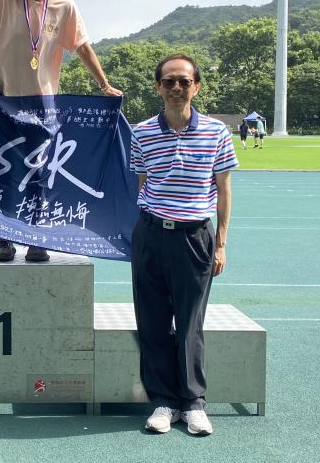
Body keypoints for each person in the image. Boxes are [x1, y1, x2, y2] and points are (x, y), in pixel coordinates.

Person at [0, 0, 122, 262]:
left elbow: (82, 46)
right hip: (2, 97)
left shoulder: (65, 5)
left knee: (39, 172)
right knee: (3, 169)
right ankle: (5, 239)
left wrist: (104, 85)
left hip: (42, 104)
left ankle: (36, 237)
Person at [130, 54, 238, 436]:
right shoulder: (140, 132)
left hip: (195, 237)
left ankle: (193, 403)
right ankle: (162, 402)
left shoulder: (216, 133)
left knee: (191, 323)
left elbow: (223, 190)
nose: (178, 88)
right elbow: (142, 183)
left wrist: (220, 244)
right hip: (151, 235)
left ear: (197, 86)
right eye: (170, 81)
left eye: (185, 81)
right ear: (158, 87)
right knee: (153, 321)